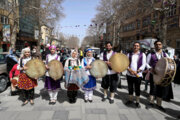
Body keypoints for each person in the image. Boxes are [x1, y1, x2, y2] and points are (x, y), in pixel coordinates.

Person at [146, 40, 169, 112]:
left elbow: (170, 62)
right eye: (156, 44)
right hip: (154, 74)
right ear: (154, 46)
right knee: (152, 88)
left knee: (160, 90)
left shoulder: (166, 54)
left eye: (159, 44)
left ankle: (159, 104)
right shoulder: (150, 54)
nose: (158, 46)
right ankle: (151, 103)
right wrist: (150, 69)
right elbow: (146, 63)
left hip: (162, 76)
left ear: (162, 45)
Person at [126, 42, 146, 108]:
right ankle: (130, 100)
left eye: (137, 46)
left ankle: (137, 101)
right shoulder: (129, 54)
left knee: (137, 88)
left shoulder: (143, 55)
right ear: (133, 47)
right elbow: (126, 64)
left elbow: (144, 64)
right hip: (129, 74)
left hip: (138, 75)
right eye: (134, 45)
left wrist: (137, 71)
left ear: (139, 47)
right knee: (130, 88)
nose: (136, 47)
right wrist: (130, 70)